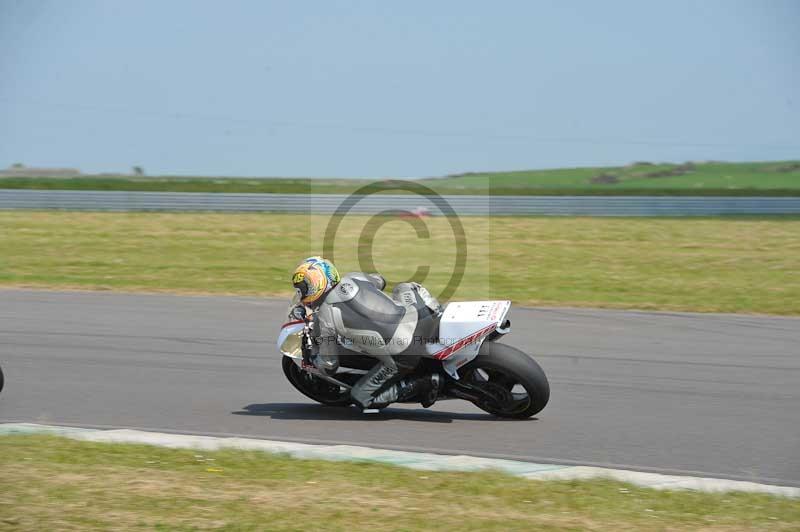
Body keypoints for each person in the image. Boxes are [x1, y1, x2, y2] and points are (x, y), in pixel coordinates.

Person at [291, 256, 442, 412]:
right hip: (419, 318)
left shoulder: (325, 318)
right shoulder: (354, 277)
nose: (305, 292)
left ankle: (422, 384)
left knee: (360, 397)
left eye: (307, 287)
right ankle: (438, 313)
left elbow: (330, 365)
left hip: (405, 351)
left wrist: (313, 359)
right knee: (403, 287)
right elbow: (380, 281)